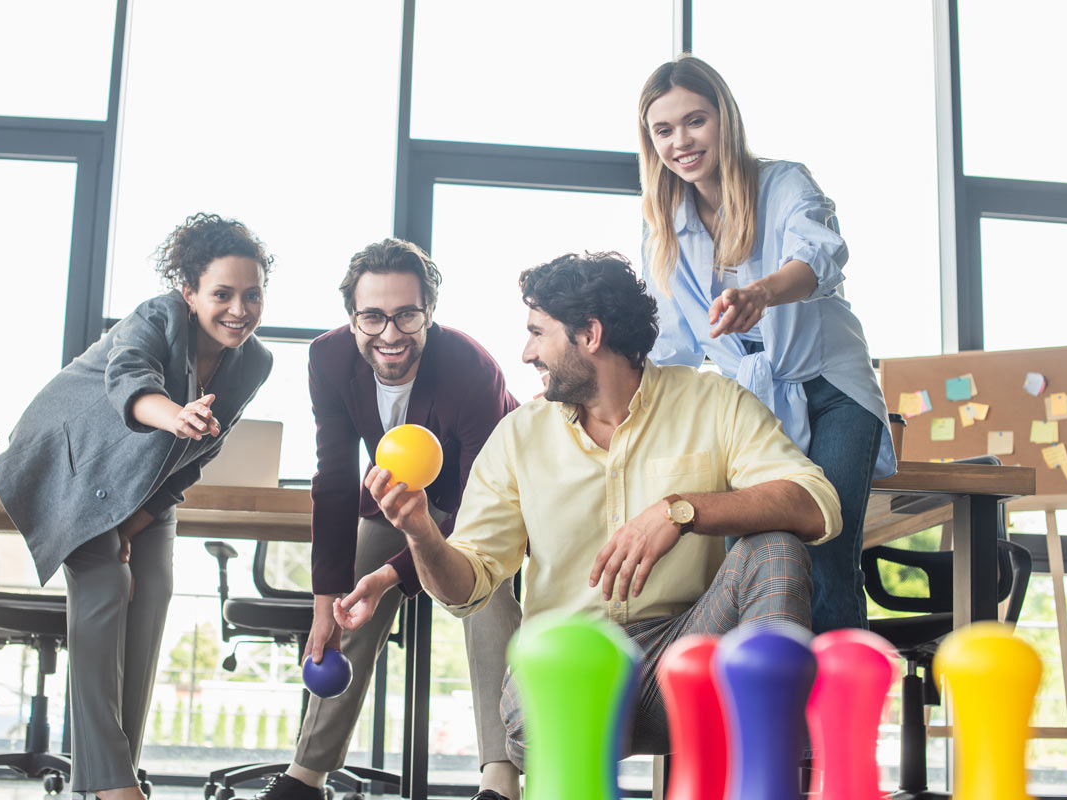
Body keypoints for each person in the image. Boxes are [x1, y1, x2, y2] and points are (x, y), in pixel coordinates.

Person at [355, 251, 842, 769]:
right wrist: (422, 533)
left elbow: (815, 503)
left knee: (775, 547)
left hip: (683, 660)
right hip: (563, 670)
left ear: (589, 334)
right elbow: (466, 589)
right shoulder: (519, 435)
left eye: (538, 333)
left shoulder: (713, 403)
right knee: (555, 683)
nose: (526, 353)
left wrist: (680, 510)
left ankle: (770, 774)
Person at [0, 213, 275, 800]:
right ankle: (114, 786)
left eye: (252, 295)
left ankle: (118, 768)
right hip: (76, 461)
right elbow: (130, 377)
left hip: (146, 485)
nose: (239, 310)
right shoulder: (157, 316)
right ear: (190, 291)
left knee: (154, 591)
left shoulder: (254, 362)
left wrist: (138, 519)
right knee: (105, 591)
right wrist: (176, 414)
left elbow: (202, 453)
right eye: (222, 294)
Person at [246, 239, 523, 800]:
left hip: (482, 502)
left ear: (430, 313)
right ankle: (308, 774)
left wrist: (392, 575)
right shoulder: (328, 358)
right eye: (373, 316)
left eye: (406, 315)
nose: (390, 333)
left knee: (486, 597)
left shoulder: (470, 367)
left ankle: (501, 778)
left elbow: (474, 512)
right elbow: (334, 479)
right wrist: (327, 600)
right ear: (352, 318)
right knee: (349, 603)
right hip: (396, 500)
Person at [636, 55, 895, 633]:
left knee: (826, 554)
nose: (682, 141)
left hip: (831, 389)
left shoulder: (783, 182)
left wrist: (762, 293)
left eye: (695, 121)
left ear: (724, 119)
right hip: (750, 406)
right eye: (664, 130)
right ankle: (764, 716)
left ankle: (835, 722)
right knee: (754, 559)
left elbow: (820, 257)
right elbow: (670, 349)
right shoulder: (662, 226)